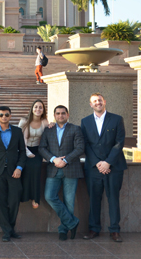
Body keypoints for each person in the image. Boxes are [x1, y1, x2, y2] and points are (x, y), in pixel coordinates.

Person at [81, 93, 127, 242]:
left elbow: (119, 142)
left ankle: (115, 230)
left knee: (113, 198)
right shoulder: (85, 121)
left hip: (114, 167)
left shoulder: (117, 119)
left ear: (104, 102)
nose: (98, 103)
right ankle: (94, 229)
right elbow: (85, 144)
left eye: (100, 100)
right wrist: (97, 163)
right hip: (94, 168)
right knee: (94, 198)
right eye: (94, 101)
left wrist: (108, 162)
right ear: (91, 104)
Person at [39, 105, 85, 241]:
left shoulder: (75, 129)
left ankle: (64, 230)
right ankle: (72, 223)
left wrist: (66, 160)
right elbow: (42, 148)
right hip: (53, 169)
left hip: (71, 168)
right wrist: (54, 159)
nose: (60, 116)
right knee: (49, 196)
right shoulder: (48, 130)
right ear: (54, 115)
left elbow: (80, 148)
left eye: (63, 113)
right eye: (58, 113)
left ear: (68, 115)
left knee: (69, 201)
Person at [0, 106, 27, 242]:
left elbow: (22, 152)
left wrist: (19, 168)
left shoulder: (17, 131)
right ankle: (7, 231)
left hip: (14, 171)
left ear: (10, 116)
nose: (4, 117)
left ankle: (11, 228)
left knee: (14, 201)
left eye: (6, 115)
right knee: (1, 201)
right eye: (1, 115)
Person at [18, 99, 49, 209]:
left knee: (36, 166)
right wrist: (25, 151)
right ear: (32, 108)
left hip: (37, 149)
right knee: (25, 166)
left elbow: (48, 137)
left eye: (40, 107)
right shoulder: (24, 121)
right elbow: (18, 137)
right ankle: (24, 196)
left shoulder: (45, 122)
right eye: (36, 107)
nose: (38, 109)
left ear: (43, 110)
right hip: (24, 148)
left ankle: (35, 197)